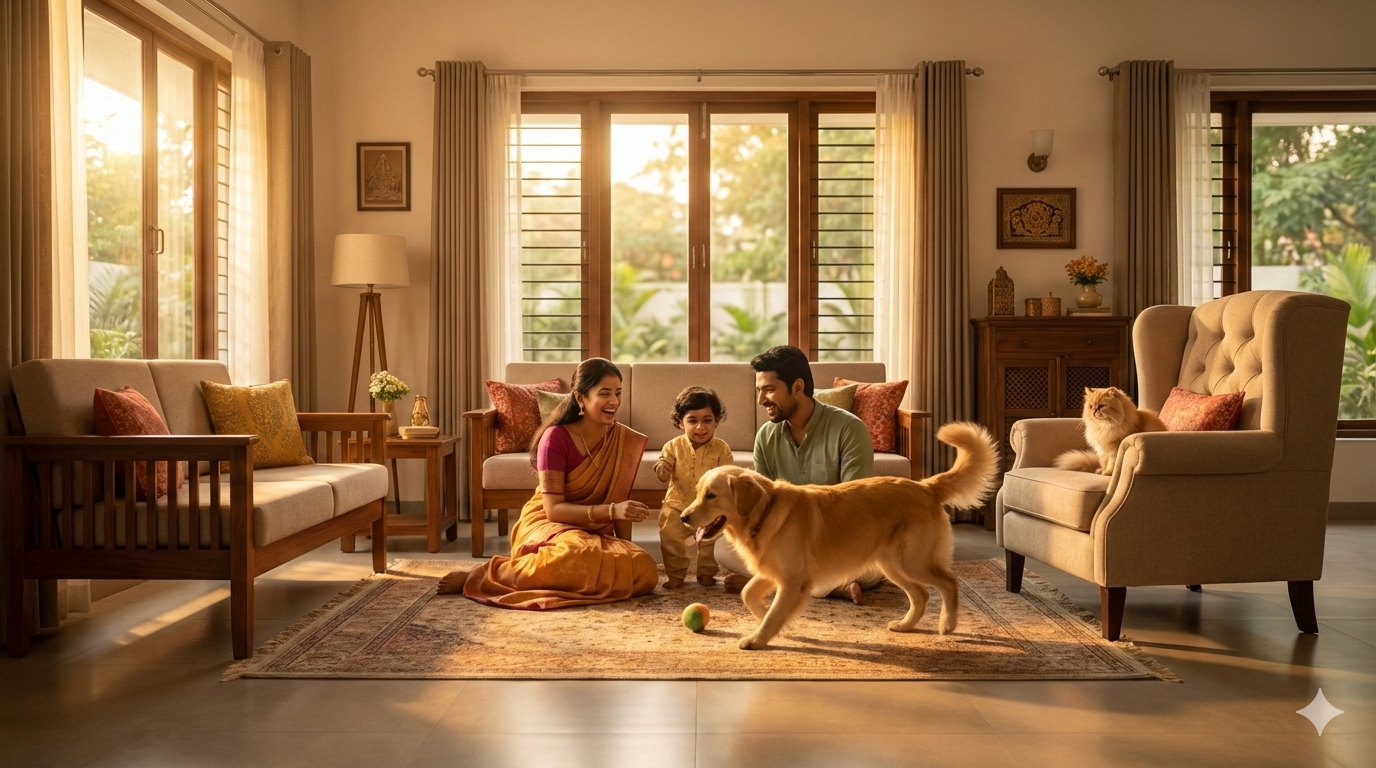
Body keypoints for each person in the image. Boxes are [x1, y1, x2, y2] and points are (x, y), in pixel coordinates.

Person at [436, 358, 658, 608]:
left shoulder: (622, 440)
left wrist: (625, 550)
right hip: (549, 521)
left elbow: (620, 502)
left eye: (618, 393)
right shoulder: (556, 438)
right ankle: (488, 573)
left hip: (593, 530)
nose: (614, 401)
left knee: (644, 568)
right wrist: (610, 511)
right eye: (604, 393)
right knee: (571, 556)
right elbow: (554, 509)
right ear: (580, 398)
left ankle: (567, 576)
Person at [714, 345, 883, 604]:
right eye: (760, 390)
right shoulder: (766, 436)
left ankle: (773, 583)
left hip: (838, 541)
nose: (761, 400)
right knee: (723, 549)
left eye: (769, 390)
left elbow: (855, 506)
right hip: (786, 542)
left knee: (874, 565)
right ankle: (827, 586)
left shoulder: (849, 429)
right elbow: (762, 505)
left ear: (797, 387)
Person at [654, 387, 733, 589]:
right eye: (692, 421)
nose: (700, 427)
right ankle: (676, 575)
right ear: (681, 423)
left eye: (707, 420)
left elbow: (729, 475)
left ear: (716, 421)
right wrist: (663, 470)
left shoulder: (721, 448)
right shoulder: (672, 447)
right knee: (670, 537)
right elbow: (662, 473)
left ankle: (706, 573)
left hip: (709, 507)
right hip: (677, 504)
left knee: (710, 540)